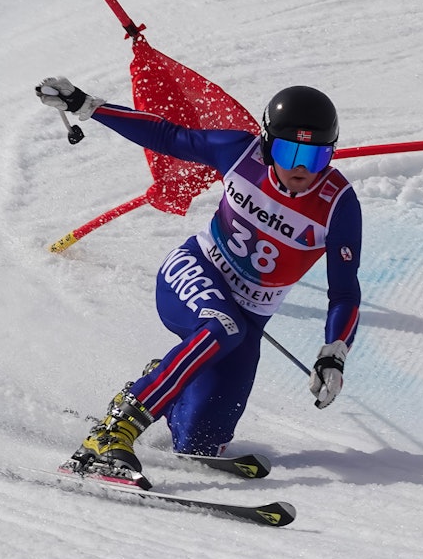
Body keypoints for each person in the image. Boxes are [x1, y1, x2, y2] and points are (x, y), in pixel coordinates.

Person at [36, 76, 362, 485]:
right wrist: (88, 105)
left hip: (248, 318)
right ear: (266, 144)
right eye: (288, 150)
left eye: (314, 158)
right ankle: (113, 431)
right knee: (220, 326)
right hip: (193, 271)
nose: (300, 168)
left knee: (201, 441)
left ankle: (163, 384)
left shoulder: (339, 205)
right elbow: (168, 136)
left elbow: (345, 292)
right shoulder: (240, 152)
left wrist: (334, 352)